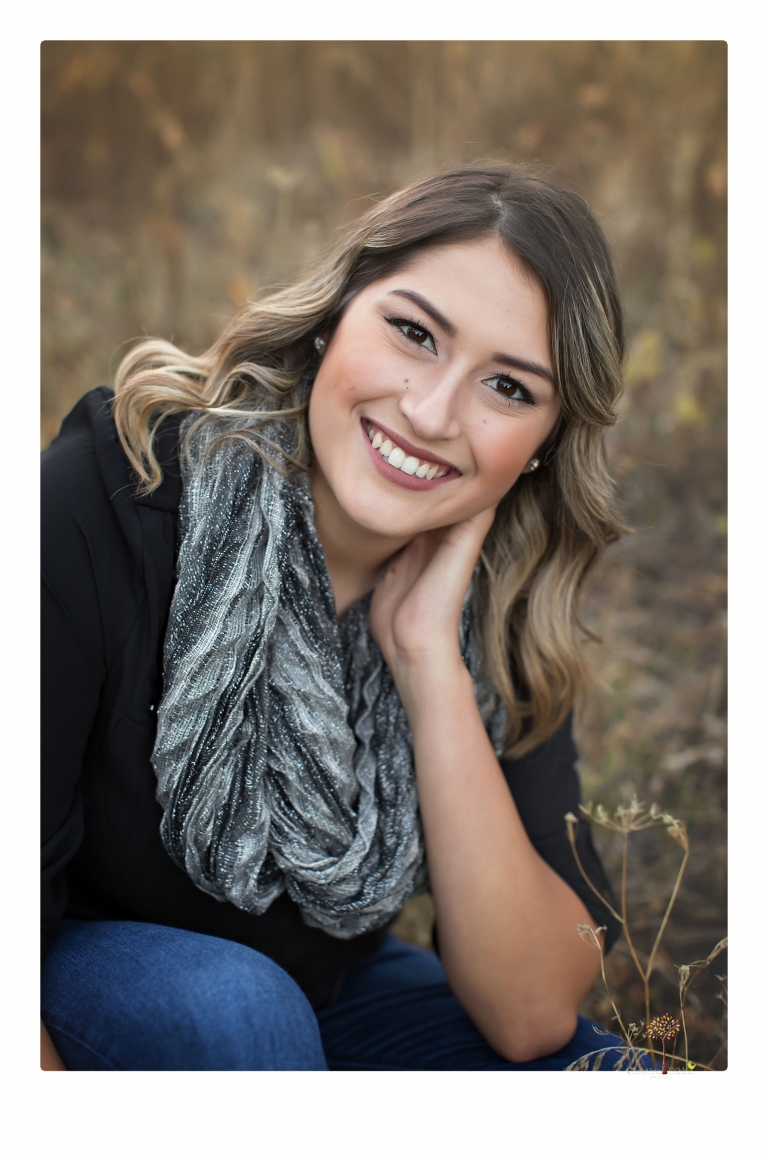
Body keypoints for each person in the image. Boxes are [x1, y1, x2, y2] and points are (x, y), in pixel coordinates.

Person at [41, 162, 629, 1071]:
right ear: (333, 318)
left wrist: (428, 655)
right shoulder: (117, 494)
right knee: (235, 1010)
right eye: (413, 333)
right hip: (70, 979)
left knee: (602, 1082)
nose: (432, 413)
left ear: (544, 447)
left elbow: (530, 1011)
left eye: (508, 388)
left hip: (326, 1007)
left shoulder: (497, 604)